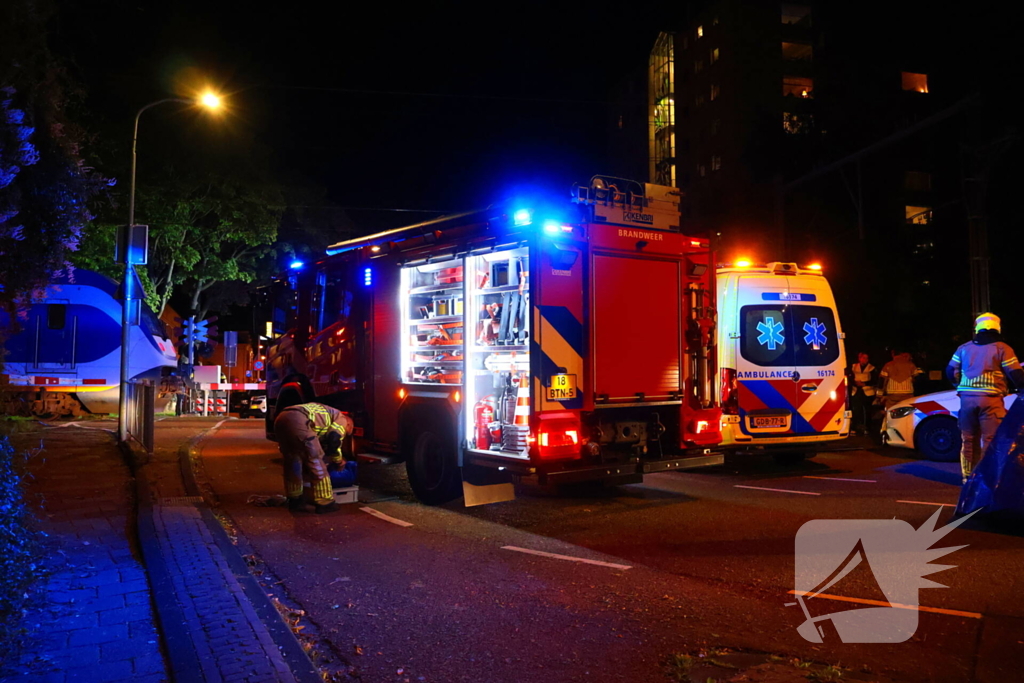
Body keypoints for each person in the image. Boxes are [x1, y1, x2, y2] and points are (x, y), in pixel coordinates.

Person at [946, 313, 1024, 484]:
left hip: (967, 400)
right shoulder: (1002, 348)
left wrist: (959, 385)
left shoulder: (964, 348)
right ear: (997, 327)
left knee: (968, 438)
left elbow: (950, 371)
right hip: (991, 400)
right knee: (990, 439)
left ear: (977, 328)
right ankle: (986, 478)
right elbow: (1015, 373)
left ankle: (968, 478)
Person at [274, 402, 354, 514]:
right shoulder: (342, 419)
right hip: (299, 420)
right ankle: (325, 503)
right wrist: (338, 461)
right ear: (349, 425)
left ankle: (295, 499)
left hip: (281, 418)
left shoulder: (328, 414)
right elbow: (334, 439)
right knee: (316, 461)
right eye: (347, 432)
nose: (345, 434)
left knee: (293, 462)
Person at [849, 352, 877, 436]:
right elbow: (850, 377)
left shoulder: (871, 368)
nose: (865, 360)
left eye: (866, 358)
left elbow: (875, 380)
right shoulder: (853, 366)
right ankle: (855, 428)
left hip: (868, 392)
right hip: (856, 391)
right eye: (863, 358)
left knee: (867, 411)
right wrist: (855, 383)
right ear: (859, 358)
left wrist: (864, 384)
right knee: (856, 410)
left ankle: (867, 428)